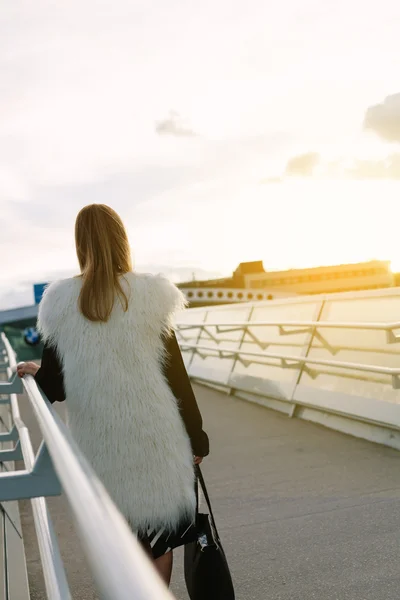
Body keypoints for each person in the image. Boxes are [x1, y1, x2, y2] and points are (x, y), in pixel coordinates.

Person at [17, 203, 209, 586]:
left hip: (102, 449)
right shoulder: (152, 295)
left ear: (80, 245)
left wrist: (38, 372)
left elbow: (53, 386)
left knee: (124, 542)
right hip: (159, 439)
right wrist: (197, 435)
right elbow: (175, 375)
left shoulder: (61, 303)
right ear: (122, 240)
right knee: (159, 542)